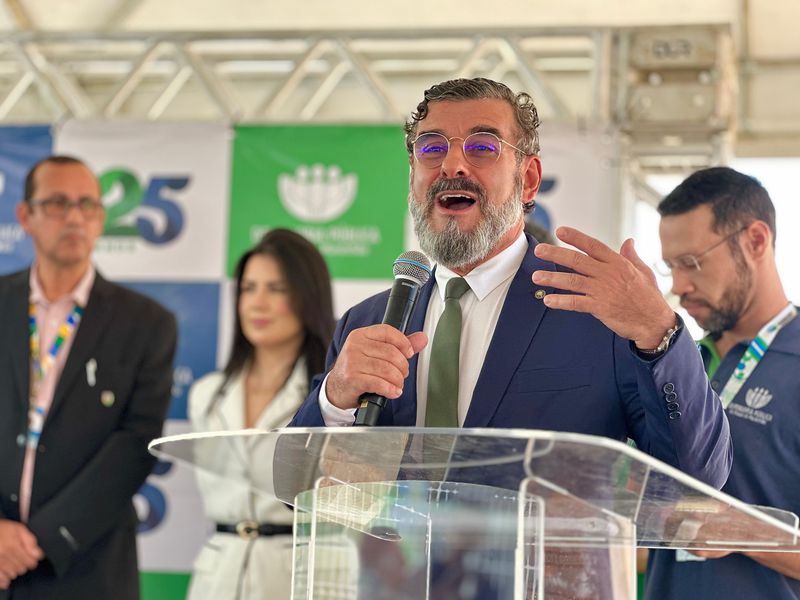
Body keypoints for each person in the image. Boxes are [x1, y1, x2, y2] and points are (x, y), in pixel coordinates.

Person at [290, 77, 731, 489]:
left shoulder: (596, 313)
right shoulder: (366, 323)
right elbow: (298, 490)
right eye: (432, 148)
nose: (452, 165)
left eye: (482, 147)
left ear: (529, 180)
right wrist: (335, 398)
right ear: (412, 178)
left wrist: (659, 332)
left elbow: (698, 477)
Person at [0, 155, 177, 599]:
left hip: (87, 567)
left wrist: (41, 538)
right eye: (57, 203)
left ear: (101, 218)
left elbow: (136, 445)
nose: (75, 218)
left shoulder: (146, 323)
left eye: (87, 205)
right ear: (25, 216)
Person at [645, 167, 800, 599]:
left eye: (692, 263)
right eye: (670, 267)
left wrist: (746, 531)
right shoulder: (678, 362)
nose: (679, 286)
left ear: (756, 241)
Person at [187, 229, 336, 600]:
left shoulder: (332, 398)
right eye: (248, 289)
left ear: (308, 297)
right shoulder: (206, 395)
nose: (258, 303)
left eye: (277, 289)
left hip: (300, 574)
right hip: (217, 576)